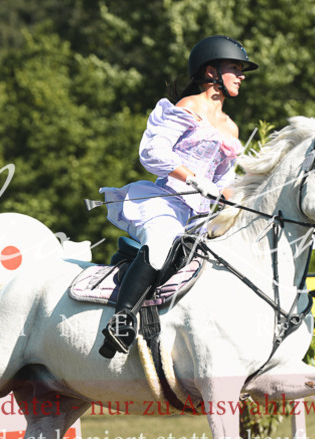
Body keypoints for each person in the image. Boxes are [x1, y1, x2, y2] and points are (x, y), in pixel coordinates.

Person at [98, 35, 258, 358]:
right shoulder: (189, 107)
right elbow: (152, 152)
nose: (241, 76)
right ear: (212, 71)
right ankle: (122, 319)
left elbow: (224, 182)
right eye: (235, 69)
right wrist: (195, 179)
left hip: (201, 217)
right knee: (162, 241)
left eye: (242, 71)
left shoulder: (232, 129)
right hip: (167, 202)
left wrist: (243, 202)